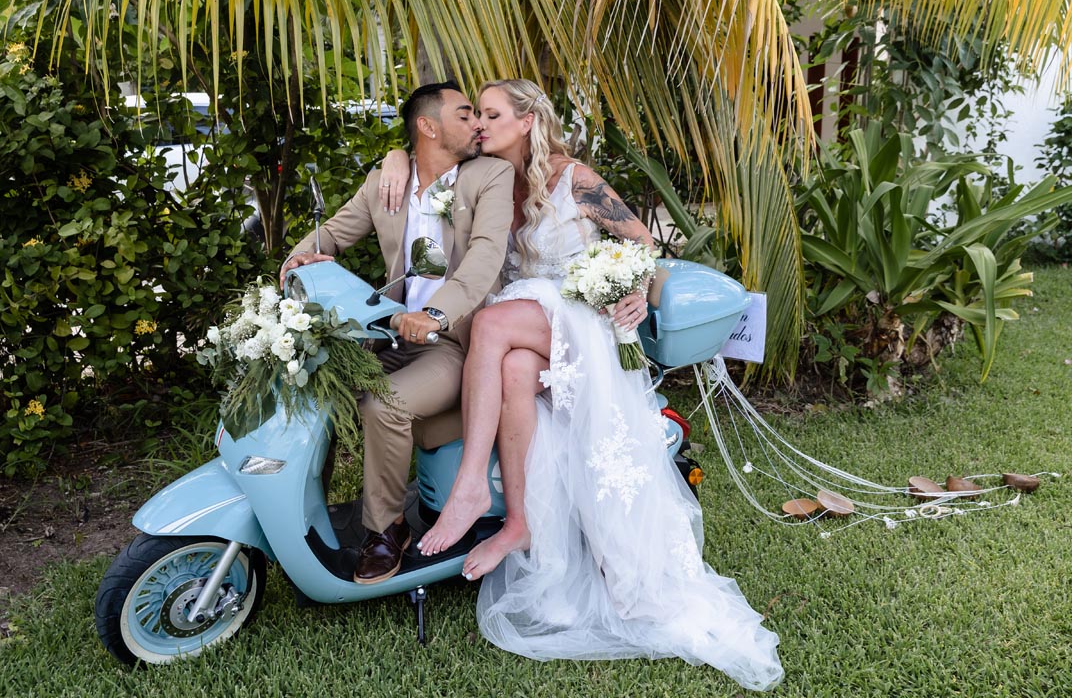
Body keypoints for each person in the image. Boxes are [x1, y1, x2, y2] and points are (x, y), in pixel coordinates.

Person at [377, 79, 783, 691]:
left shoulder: (575, 177)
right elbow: (423, 151)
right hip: (532, 321)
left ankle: (468, 493)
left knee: (490, 324)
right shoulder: (488, 183)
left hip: (577, 315)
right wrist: (395, 156)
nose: (480, 124)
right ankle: (519, 521)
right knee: (511, 365)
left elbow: (642, 247)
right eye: (476, 116)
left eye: (491, 114)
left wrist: (631, 297)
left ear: (528, 118)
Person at [280, 81, 513, 585]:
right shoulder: (386, 182)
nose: (477, 123)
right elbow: (331, 234)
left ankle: (386, 531)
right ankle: (301, 515)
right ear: (428, 127)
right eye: (465, 113)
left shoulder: (490, 176)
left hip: (452, 342)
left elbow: (486, 256)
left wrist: (436, 315)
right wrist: (298, 262)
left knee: (384, 404)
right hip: (387, 336)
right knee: (311, 387)